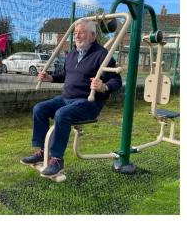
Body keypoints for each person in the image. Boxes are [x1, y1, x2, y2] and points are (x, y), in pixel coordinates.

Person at [21, 20, 122, 178]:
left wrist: (103, 86)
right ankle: (42, 152)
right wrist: (50, 78)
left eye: (81, 32)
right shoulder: (72, 53)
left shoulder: (102, 55)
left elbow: (117, 81)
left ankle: (57, 160)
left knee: (62, 114)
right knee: (39, 108)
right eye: (75, 33)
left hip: (89, 102)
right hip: (66, 98)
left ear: (93, 35)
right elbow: (67, 75)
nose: (77, 35)